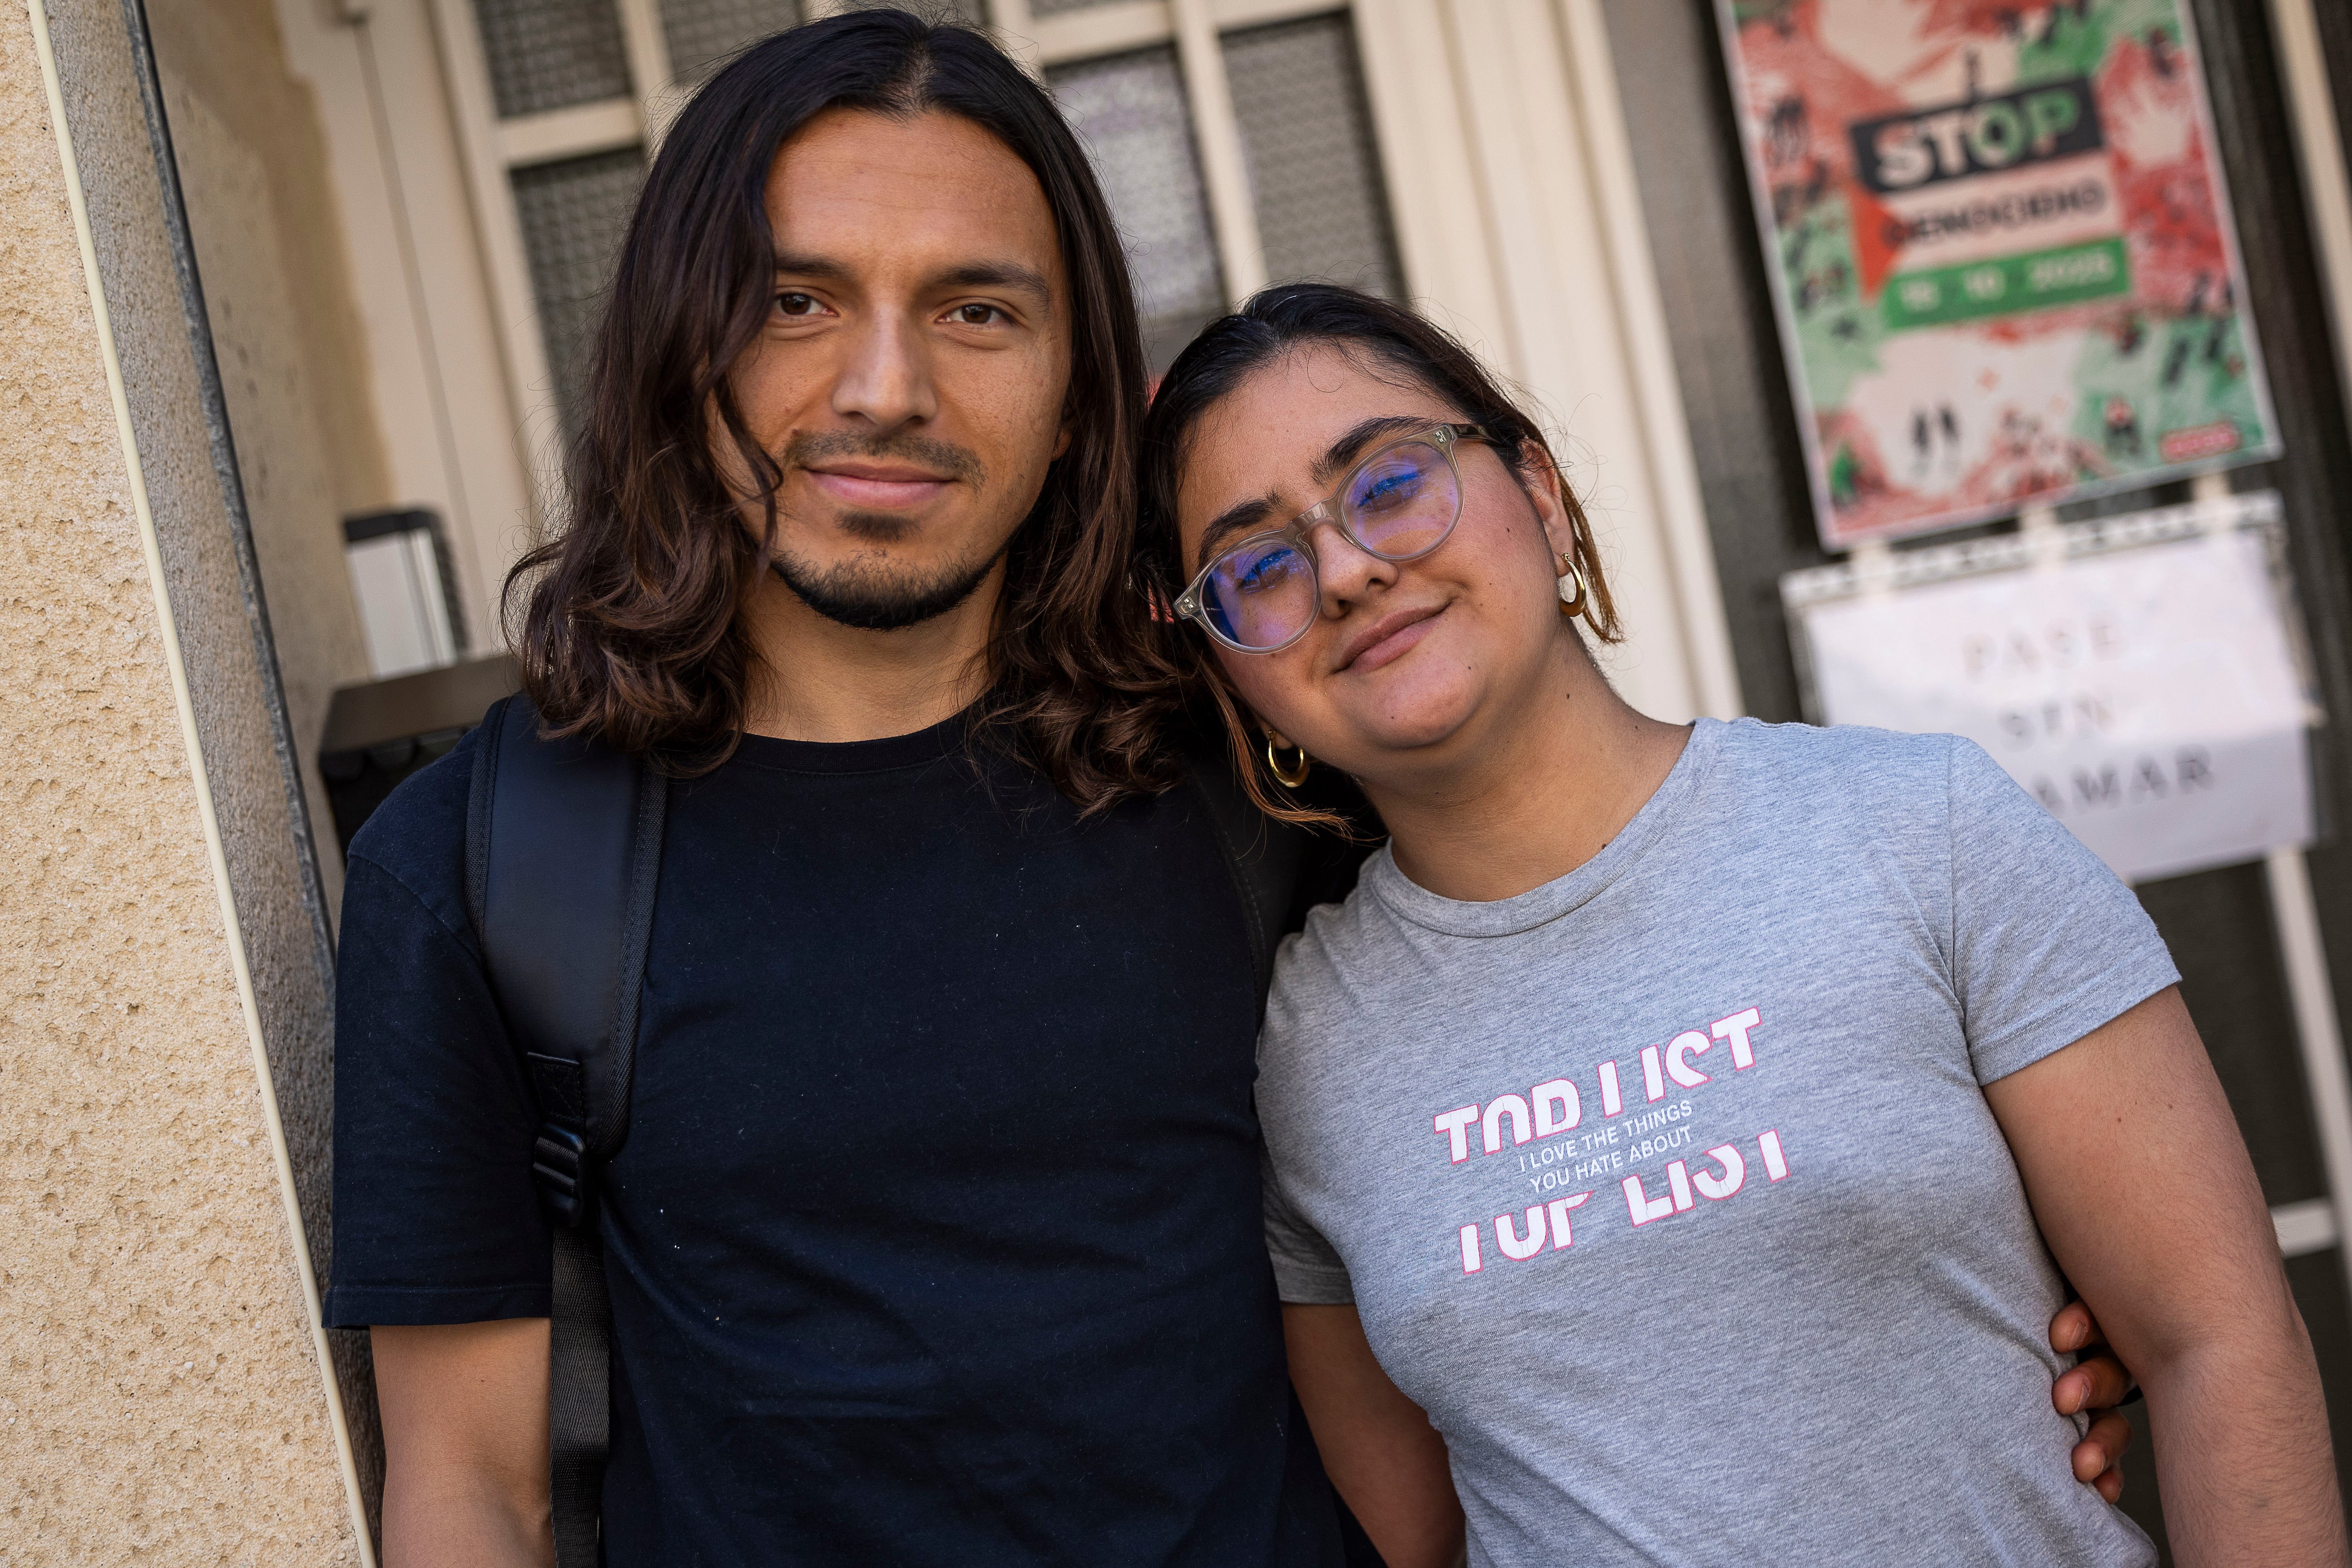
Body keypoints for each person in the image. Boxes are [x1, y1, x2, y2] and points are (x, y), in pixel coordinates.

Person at [325, 14, 2137, 1563]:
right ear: (677, 344)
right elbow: (470, 1490)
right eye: (797, 301)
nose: (883, 386)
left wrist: (1989, 1305)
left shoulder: (1256, 756)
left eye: (977, 309)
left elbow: (1647, 1074)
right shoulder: (497, 868)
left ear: (1071, 391)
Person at [1135, 282, 2347, 1568]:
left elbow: (2219, 1346)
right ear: (1228, 666)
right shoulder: (1305, 1050)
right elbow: (1406, 1546)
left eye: (1387, 484)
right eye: (1258, 564)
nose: (1345, 569)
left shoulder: (1919, 829)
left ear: (1538, 496)